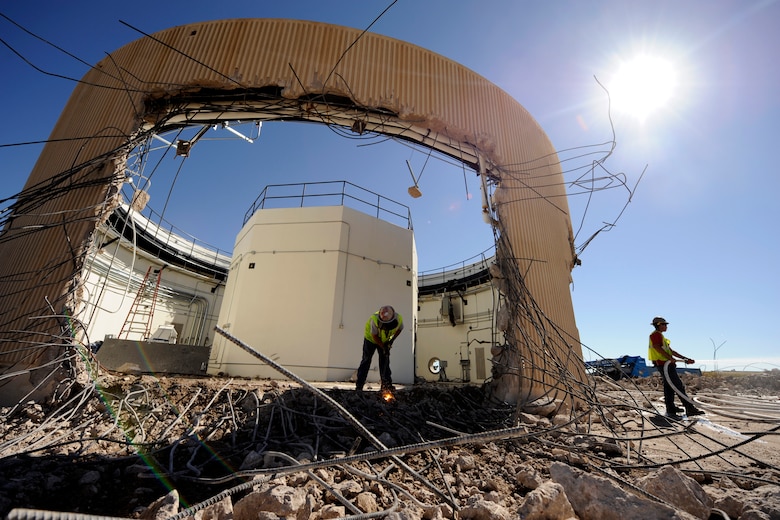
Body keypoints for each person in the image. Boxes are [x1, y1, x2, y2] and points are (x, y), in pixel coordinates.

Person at [648, 316, 705, 419]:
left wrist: (685, 358)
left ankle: (671, 408)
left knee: (669, 387)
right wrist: (670, 358)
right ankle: (689, 409)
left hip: (667, 364)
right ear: (659, 325)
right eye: (665, 324)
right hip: (664, 364)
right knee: (678, 386)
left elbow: (671, 351)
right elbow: (657, 347)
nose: (666, 326)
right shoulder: (655, 335)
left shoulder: (661, 336)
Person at [355, 305, 404, 392]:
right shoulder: (374, 320)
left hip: (385, 340)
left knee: (385, 361)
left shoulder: (399, 319)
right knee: (366, 360)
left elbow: (400, 329)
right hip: (370, 339)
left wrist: (390, 341)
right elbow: (374, 336)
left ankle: (386, 385)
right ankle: (359, 385)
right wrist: (383, 347)